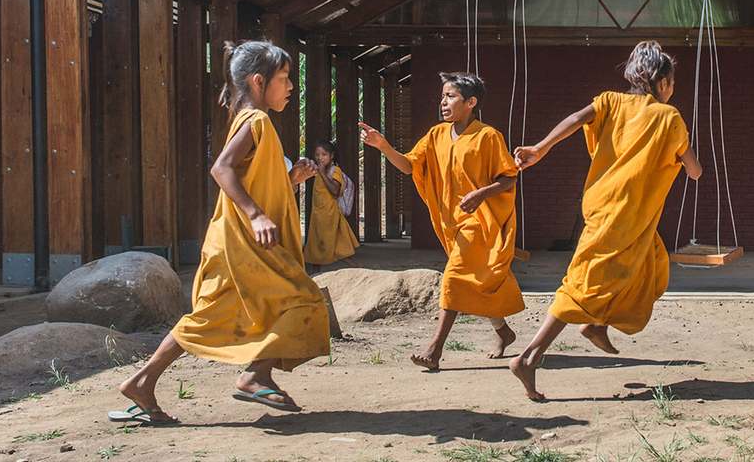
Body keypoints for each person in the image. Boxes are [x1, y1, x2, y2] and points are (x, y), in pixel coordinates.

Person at [109, 41, 329, 424]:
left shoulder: (247, 120)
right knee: (305, 299)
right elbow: (222, 169)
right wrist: (257, 215)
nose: (291, 86)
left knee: (212, 314)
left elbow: (253, 180)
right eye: (284, 78)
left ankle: (142, 383)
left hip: (235, 241)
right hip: (240, 243)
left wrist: (291, 180)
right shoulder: (257, 121)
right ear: (259, 81)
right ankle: (255, 375)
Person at [507, 41, 702, 402]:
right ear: (660, 81)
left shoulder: (610, 101)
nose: (673, 89)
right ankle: (530, 356)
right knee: (583, 282)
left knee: (650, 265)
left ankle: (596, 323)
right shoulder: (668, 117)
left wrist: (540, 147)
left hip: (608, 208)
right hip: (623, 215)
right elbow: (693, 171)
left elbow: (576, 119)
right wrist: (690, 163)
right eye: (672, 82)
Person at [361, 72, 522, 369]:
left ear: (471, 102)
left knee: (454, 275)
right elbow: (410, 167)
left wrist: (481, 194)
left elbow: (509, 178)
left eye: (450, 96)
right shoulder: (436, 135)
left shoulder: (488, 136)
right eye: (443, 96)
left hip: (480, 221)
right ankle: (504, 331)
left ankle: (435, 350)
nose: (443, 102)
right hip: (450, 222)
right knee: (473, 282)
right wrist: (384, 147)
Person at [302, 140, 360, 269]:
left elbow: (335, 191)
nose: (320, 158)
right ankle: (316, 274)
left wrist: (323, 173)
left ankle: (354, 266)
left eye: (324, 154)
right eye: (317, 155)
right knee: (316, 244)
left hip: (330, 213)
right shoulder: (316, 171)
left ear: (331, 156)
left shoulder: (335, 170)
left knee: (332, 242)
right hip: (317, 214)